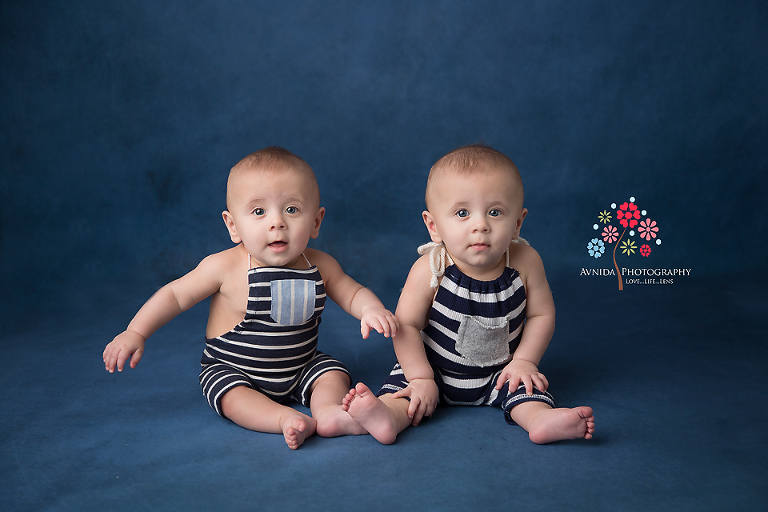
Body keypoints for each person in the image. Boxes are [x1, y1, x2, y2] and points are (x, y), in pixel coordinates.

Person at [103, 146, 398, 449]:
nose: (277, 222)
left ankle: (329, 414)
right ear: (233, 225)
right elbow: (176, 295)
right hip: (234, 369)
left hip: (301, 366)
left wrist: (371, 309)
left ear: (316, 222)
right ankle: (282, 419)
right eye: (259, 212)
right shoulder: (224, 266)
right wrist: (135, 332)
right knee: (229, 395)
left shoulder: (321, 265)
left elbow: (352, 293)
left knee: (332, 372)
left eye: (292, 209)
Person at [342, 144, 595, 445]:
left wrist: (525, 361)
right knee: (408, 393)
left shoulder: (526, 262)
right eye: (462, 213)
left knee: (526, 390)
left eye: (495, 212)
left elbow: (542, 314)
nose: (480, 225)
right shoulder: (431, 269)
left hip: (500, 373)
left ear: (517, 223)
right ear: (434, 226)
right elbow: (405, 325)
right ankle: (387, 417)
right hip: (433, 370)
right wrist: (421, 377)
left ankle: (541, 420)